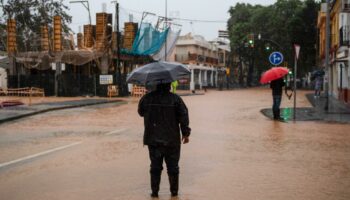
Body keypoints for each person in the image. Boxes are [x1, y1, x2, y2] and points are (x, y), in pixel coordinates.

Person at [138, 82, 191, 198]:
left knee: (155, 167)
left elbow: (140, 112)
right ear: (169, 85)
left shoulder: (147, 98)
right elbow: (184, 116)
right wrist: (186, 134)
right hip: (172, 140)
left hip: (153, 139)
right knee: (173, 168)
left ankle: (155, 193)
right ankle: (174, 194)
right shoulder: (176, 99)